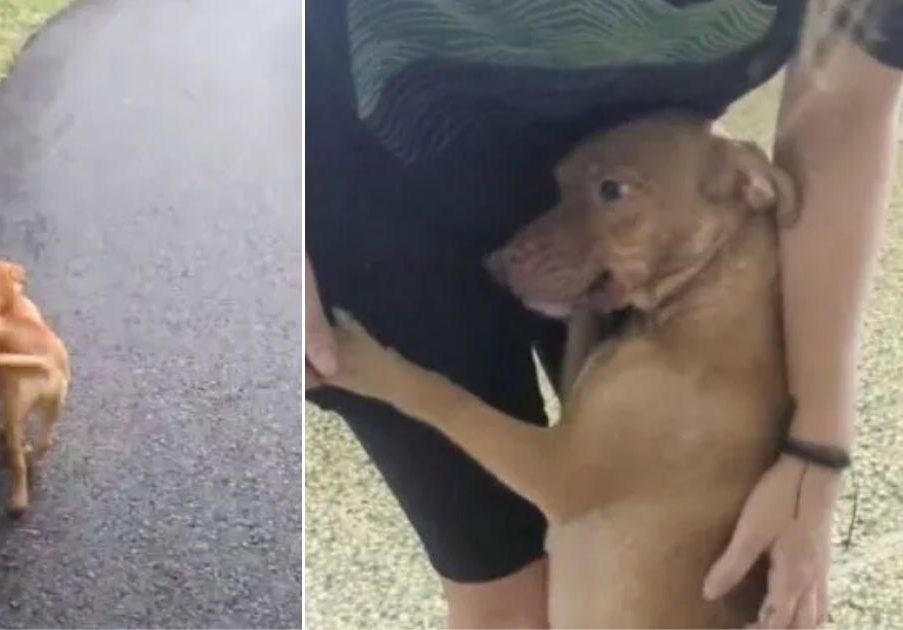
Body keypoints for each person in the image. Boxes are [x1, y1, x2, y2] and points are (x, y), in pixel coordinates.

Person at [304, 1, 903, 628]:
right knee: (500, 590)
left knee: (630, 554)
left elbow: (841, 111)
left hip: (638, 188)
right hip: (366, 181)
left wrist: (816, 447)